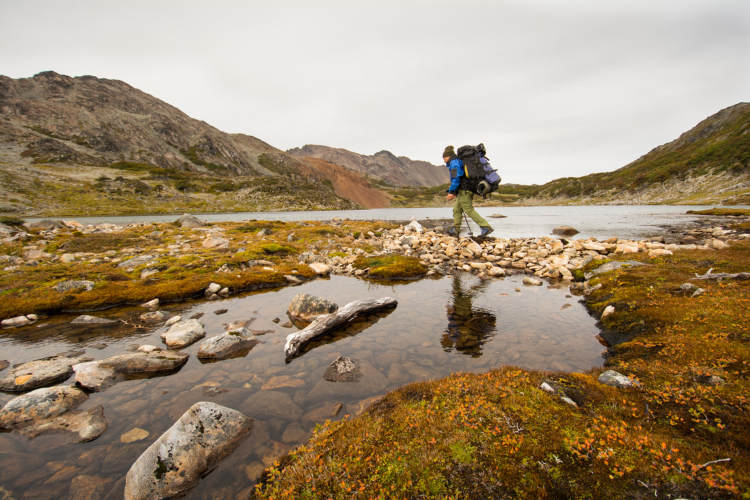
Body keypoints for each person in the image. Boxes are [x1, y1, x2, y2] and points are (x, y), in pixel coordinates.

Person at [443, 145, 493, 238]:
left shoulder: (454, 163)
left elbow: (456, 178)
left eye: (444, 158)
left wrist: (451, 192)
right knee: (457, 209)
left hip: (465, 190)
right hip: (463, 190)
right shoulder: (457, 161)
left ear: (448, 156)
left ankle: (485, 226)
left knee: (468, 209)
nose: (443, 160)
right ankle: (455, 230)